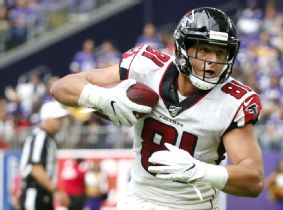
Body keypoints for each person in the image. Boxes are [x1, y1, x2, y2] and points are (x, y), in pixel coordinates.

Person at [51, 7, 264, 210]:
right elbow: (61, 87)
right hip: (138, 199)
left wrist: (200, 171)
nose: (214, 61)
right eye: (205, 50)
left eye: (221, 53)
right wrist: (102, 97)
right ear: (183, 48)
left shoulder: (232, 101)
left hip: (193, 206)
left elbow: (254, 179)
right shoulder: (146, 68)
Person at [19, 101, 71, 210]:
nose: (61, 123)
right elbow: (36, 169)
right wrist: (56, 191)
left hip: (43, 193)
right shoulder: (40, 137)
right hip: (35, 192)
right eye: (58, 119)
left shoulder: (48, 138)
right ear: (48, 119)